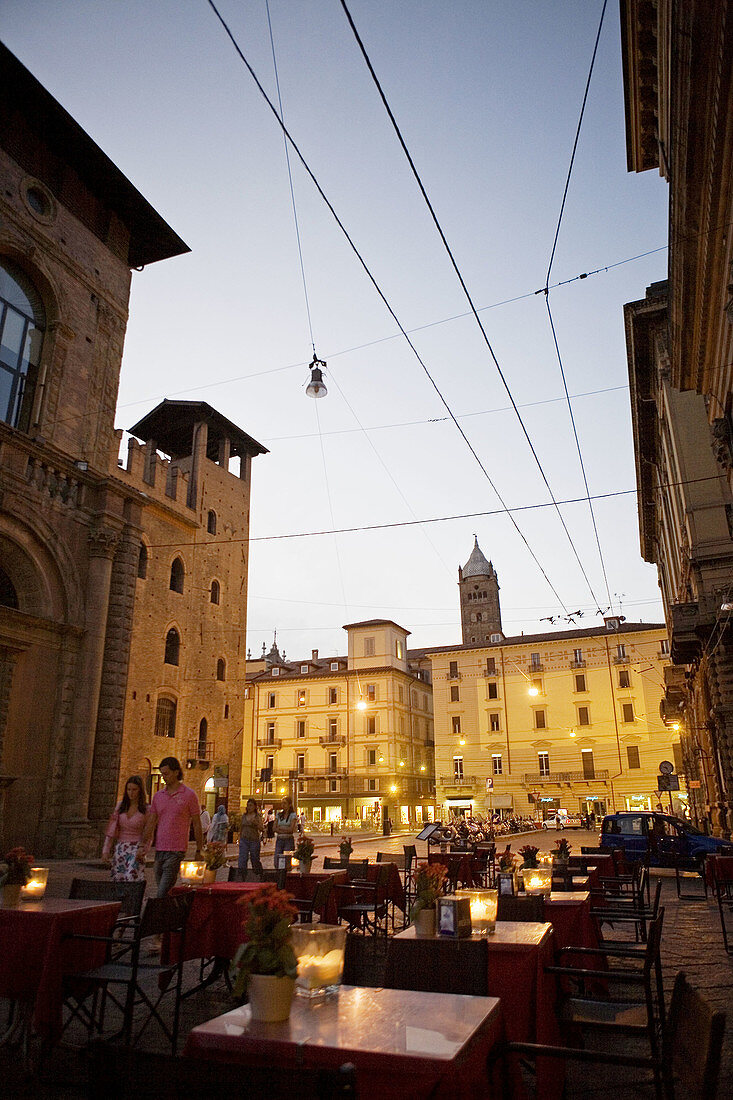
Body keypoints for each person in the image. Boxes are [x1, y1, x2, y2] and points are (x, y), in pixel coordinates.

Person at [142, 757, 203, 898]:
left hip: (177, 850)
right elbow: (151, 822)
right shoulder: (158, 796)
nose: (164, 778)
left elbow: (197, 823)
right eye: (162, 774)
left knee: (162, 891)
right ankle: (171, 915)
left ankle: (158, 916)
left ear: (176, 772)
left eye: (167, 774)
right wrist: (142, 845)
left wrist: (200, 848)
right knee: (164, 890)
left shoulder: (189, 795)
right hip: (160, 848)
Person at [102, 775, 148, 882]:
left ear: (140, 791)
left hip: (136, 848)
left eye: (134, 790)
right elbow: (111, 829)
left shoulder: (146, 809)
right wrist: (106, 850)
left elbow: (148, 833)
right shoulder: (120, 806)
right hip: (121, 848)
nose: (131, 793)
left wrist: (144, 850)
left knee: (132, 878)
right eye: (129, 789)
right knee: (119, 879)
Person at [238, 797, 265, 878]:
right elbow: (241, 827)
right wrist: (239, 838)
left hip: (254, 840)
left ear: (254, 807)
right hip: (244, 839)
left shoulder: (257, 816)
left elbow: (261, 828)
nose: (249, 807)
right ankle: (242, 875)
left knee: (255, 858)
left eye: (251, 805)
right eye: (248, 805)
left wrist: (256, 823)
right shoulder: (244, 816)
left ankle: (258, 874)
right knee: (242, 858)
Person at [274, 795, 297, 867]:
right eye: (282, 803)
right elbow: (274, 828)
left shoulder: (292, 815)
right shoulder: (279, 814)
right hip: (279, 839)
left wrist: (280, 828)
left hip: (288, 840)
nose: (283, 805)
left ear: (289, 805)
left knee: (287, 861)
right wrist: (285, 829)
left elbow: (291, 829)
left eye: (285, 803)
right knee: (277, 860)